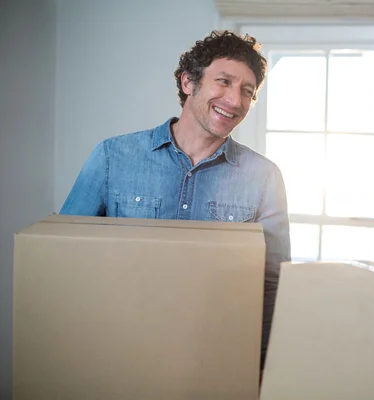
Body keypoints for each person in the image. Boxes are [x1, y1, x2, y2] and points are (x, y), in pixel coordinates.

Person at [60, 30, 291, 369]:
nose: (235, 100)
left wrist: (262, 370)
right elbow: (65, 258)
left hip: (216, 359)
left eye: (247, 91)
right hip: (117, 350)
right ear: (188, 82)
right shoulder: (112, 156)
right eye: (224, 81)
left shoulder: (264, 177)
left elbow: (272, 286)